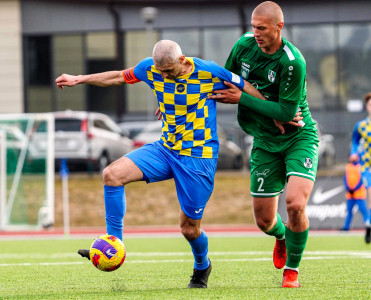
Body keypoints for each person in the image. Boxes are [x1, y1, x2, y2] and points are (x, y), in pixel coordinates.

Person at [55, 39, 264, 288]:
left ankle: (202, 266)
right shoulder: (150, 69)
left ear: (183, 60)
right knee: (112, 174)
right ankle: (114, 245)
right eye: (160, 70)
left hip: (198, 157)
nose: (163, 75)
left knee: (189, 229)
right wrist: (79, 78)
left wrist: (273, 114)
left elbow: (247, 87)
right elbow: (118, 77)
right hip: (165, 149)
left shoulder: (210, 71)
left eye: (168, 70)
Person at [209, 1, 318, 288]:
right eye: (253, 26)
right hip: (264, 140)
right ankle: (282, 236)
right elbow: (222, 80)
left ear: (279, 27)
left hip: (298, 138)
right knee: (264, 221)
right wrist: (177, 103)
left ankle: (292, 271)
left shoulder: (292, 62)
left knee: (295, 204)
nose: (255, 32)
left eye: (262, 27)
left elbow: (285, 113)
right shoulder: (244, 45)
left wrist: (241, 98)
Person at [349, 92, 371, 243]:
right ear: (367, 107)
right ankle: (368, 224)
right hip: (367, 166)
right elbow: (355, 141)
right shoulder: (361, 126)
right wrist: (354, 153)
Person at [342, 160, 370, 233]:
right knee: (349, 212)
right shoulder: (348, 167)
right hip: (350, 194)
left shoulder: (361, 167)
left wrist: (355, 188)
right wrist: (348, 188)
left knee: (364, 212)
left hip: (359, 194)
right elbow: (345, 178)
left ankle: (368, 226)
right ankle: (346, 228)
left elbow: (362, 180)